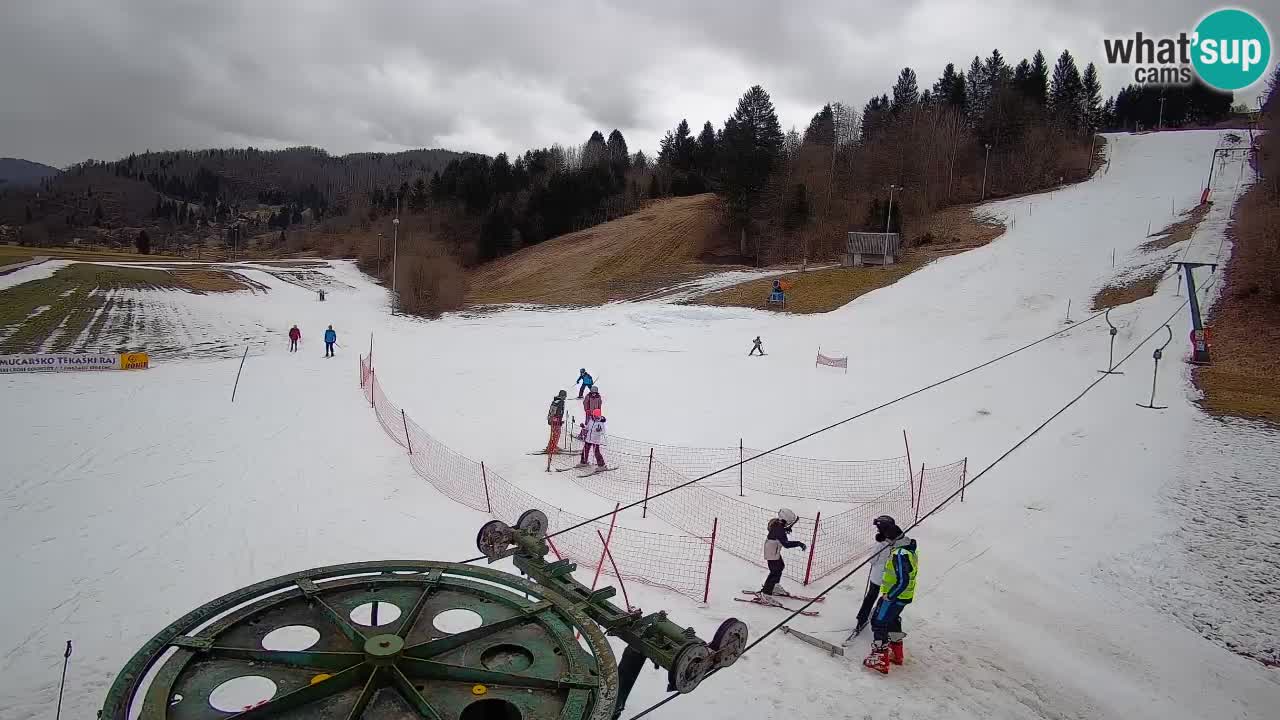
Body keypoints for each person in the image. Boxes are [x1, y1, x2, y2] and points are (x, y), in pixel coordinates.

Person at [863, 515, 918, 674]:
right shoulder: (906, 546)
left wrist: (890, 595)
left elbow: (903, 580)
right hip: (903, 597)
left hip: (896, 596)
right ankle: (897, 653)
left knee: (878, 621)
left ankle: (881, 658)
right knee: (892, 620)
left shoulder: (900, 554)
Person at [756, 508, 806, 601]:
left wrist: (786, 529)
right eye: (790, 523)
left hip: (773, 549)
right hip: (771, 551)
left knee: (780, 566)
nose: (789, 525)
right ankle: (766, 593)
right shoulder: (779, 529)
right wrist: (798, 543)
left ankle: (775, 586)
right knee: (774, 571)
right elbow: (786, 544)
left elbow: (780, 531)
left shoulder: (778, 524)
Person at [853, 525, 894, 636]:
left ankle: (861, 620)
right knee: (886, 599)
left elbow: (872, 560)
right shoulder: (894, 544)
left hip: (877, 576)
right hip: (890, 578)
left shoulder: (880, 545)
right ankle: (881, 619)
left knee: (870, 597)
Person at [545, 390, 567, 468]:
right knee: (555, 434)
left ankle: (552, 446)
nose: (565, 397)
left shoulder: (558, 401)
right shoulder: (558, 402)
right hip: (555, 420)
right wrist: (554, 420)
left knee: (556, 434)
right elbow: (553, 411)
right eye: (564, 396)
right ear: (561, 395)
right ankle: (552, 448)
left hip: (556, 419)